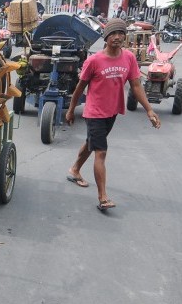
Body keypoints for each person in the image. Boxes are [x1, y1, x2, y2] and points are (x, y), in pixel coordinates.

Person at [65, 18, 160, 212]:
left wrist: (149, 109)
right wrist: (70, 109)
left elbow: (135, 85)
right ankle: (103, 197)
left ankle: (74, 170)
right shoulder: (94, 60)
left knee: (92, 142)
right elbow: (79, 87)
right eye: (113, 34)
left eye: (121, 33)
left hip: (112, 111)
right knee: (101, 151)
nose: (117, 37)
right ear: (106, 37)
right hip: (95, 112)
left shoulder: (129, 58)